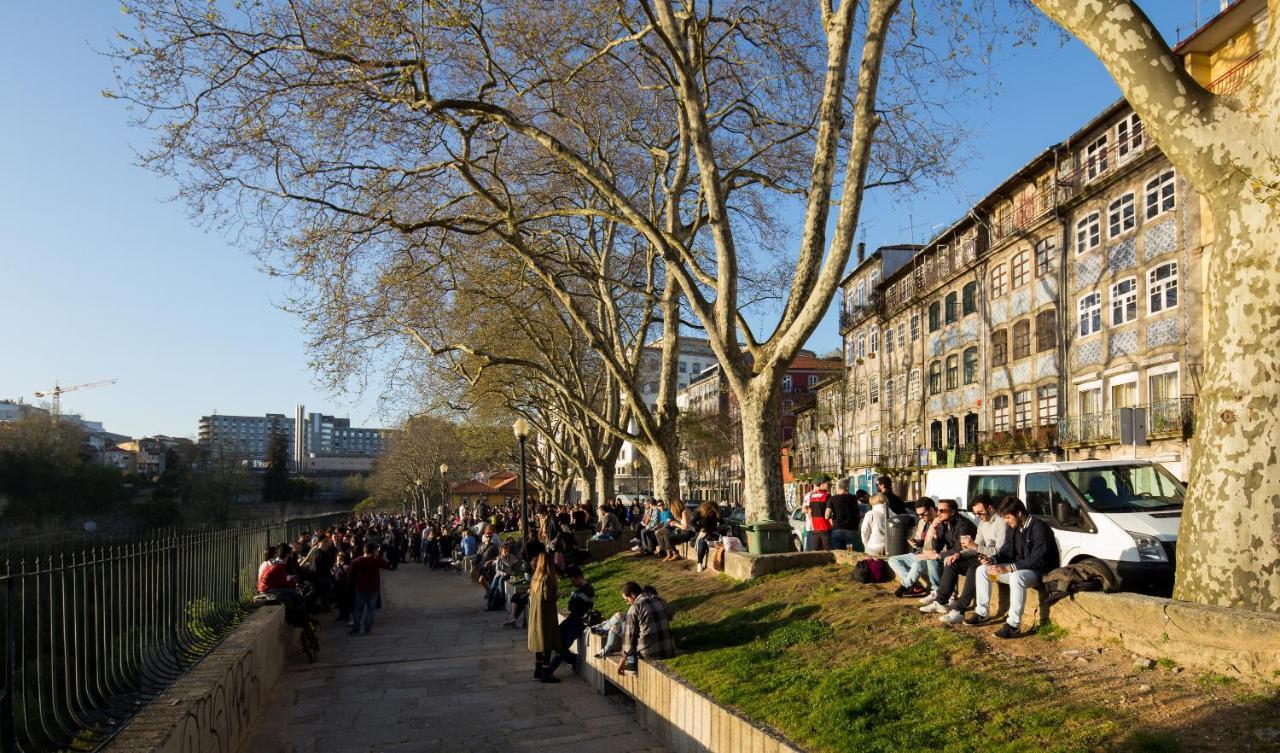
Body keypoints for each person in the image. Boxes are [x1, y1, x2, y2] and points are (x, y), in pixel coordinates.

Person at [966, 496, 1061, 638]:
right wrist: (991, 559)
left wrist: (1010, 568)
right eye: (1004, 518)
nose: (1006, 521)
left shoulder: (1039, 527)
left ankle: (1013, 625)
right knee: (983, 570)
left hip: (1039, 573)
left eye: (1007, 517)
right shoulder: (1014, 527)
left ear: (1018, 514)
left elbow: (1038, 559)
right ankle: (982, 612)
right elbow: (1006, 551)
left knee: (1017, 576)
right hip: (1019, 569)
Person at [935, 495, 1008, 622]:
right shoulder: (982, 522)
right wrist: (959, 554)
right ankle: (941, 601)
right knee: (953, 562)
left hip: (997, 560)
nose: (978, 516)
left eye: (980, 512)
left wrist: (975, 546)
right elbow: (975, 547)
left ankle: (960, 610)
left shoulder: (1001, 523)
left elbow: (999, 552)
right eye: (975, 513)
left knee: (974, 569)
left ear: (990, 508)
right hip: (983, 558)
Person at [915, 499, 976, 610]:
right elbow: (937, 548)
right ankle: (938, 594)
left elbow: (960, 548)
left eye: (942, 511)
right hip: (955, 555)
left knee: (949, 560)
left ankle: (951, 598)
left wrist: (939, 555)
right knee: (933, 559)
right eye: (938, 510)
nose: (938, 513)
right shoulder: (943, 523)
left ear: (952, 512)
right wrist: (936, 535)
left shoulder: (964, 525)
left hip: (968, 556)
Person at [543, 565, 596, 680]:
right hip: (571, 620)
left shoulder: (588, 590)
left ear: (579, 577)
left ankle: (549, 672)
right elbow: (571, 606)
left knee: (561, 647)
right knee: (554, 640)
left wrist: (573, 603)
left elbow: (577, 608)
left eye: (573, 580)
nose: (572, 583)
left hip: (578, 623)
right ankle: (572, 659)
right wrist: (573, 603)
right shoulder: (577, 591)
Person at [616, 582, 675, 675]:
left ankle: (632, 665)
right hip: (668, 649)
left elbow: (629, 639)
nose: (627, 603)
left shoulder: (635, 608)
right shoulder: (661, 600)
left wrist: (622, 662)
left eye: (626, 600)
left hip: (649, 653)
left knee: (626, 626)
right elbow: (670, 617)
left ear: (632, 595)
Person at [888, 498, 940, 599]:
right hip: (919, 553)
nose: (920, 517)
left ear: (932, 509)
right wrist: (916, 542)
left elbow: (940, 546)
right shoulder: (922, 522)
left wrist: (926, 553)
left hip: (931, 557)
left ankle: (905, 586)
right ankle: (915, 585)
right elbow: (920, 540)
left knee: (917, 565)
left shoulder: (939, 523)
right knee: (892, 560)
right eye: (918, 514)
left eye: (923, 514)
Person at [527, 552, 564, 682]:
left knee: (539, 644)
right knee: (546, 643)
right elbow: (548, 597)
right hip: (545, 616)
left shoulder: (536, 577)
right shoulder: (547, 578)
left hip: (536, 615)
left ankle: (537, 672)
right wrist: (559, 593)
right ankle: (546, 674)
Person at [348, 542, 389, 635]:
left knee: (358, 609)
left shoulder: (357, 561)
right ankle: (367, 628)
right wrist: (377, 557)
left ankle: (356, 628)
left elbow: (351, 575)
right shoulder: (375, 560)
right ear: (374, 551)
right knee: (370, 609)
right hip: (373, 588)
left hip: (361, 588)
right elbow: (386, 565)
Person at [826, 479, 860, 551]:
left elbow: (827, 516)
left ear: (838, 487)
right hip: (850, 530)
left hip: (837, 530)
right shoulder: (853, 498)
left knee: (838, 555)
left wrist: (832, 515)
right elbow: (857, 514)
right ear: (847, 487)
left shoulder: (832, 499)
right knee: (850, 554)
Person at [804, 476, 832, 551]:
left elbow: (809, 512)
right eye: (829, 484)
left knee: (816, 553)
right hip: (825, 528)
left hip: (815, 529)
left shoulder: (812, 496)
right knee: (828, 553)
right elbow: (828, 514)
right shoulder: (827, 496)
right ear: (822, 484)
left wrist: (813, 525)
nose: (830, 486)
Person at [693, 501, 722, 573]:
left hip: (713, 533)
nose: (712, 512)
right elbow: (692, 523)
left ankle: (719, 564)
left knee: (719, 544)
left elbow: (722, 522)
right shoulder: (699, 513)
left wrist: (721, 527)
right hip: (703, 533)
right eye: (710, 511)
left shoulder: (715, 513)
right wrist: (699, 529)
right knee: (702, 543)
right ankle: (699, 563)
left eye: (713, 511)